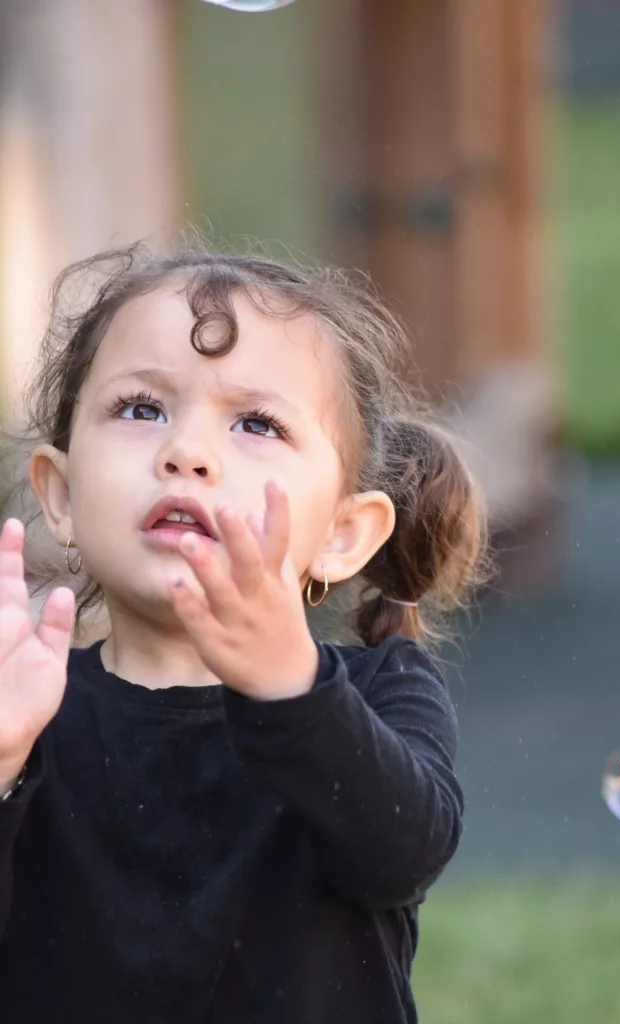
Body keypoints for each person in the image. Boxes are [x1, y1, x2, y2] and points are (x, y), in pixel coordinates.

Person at [0, 245, 490, 1023]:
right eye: (141, 408)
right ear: (59, 495)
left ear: (341, 533)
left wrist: (287, 683)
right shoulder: (29, 712)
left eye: (256, 423)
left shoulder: (375, 691)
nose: (186, 453)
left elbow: (401, 854)